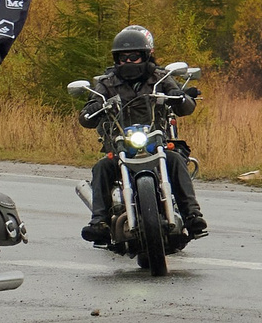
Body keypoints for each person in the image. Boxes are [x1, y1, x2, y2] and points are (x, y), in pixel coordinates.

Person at [81, 23, 207, 242]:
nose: (129, 62)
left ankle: (192, 216)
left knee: (176, 160)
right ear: (116, 59)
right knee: (102, 167)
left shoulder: (160, 78)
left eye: (134, 57)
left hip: (155, 143)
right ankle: (99, 222)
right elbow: (86, 116)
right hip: (122, 146)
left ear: (146, 55)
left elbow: (183, 105)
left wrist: (181, 97)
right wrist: (93, 108)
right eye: (124, 58)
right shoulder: (107, 83)